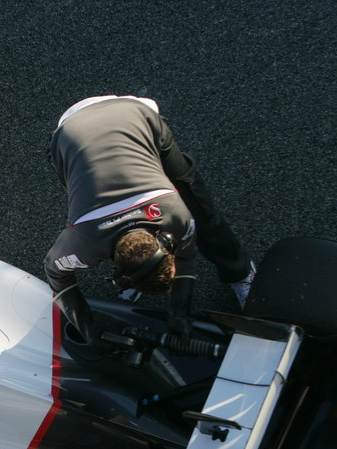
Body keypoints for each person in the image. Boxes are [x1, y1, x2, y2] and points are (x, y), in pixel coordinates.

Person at [44, 95, 255, 340]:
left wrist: (180, 315)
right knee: (79, 181)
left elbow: (186, 259)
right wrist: (89, 330)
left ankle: (241, 273)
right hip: (76, 126)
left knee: (198, 206)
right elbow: (53, 272)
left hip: (126, 116)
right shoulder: (84, 241)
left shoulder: (175, 213)